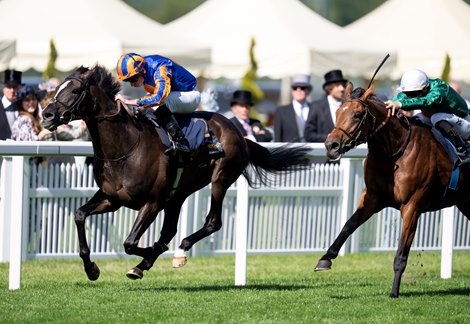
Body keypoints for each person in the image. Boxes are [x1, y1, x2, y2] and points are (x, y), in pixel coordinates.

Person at [114, 52, 200, 155]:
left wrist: (128, 101)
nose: (132, 84)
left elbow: (159, 98)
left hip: (190, 94)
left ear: (142, 70)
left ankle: (180, 142)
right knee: (141, 109)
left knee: (160, 103)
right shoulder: (143, 67)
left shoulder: (160, 68)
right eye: (128, 81)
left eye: (133, 79)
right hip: (174, 94)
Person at [385, 69, 470, 165]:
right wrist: (387, 105)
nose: (412, 97)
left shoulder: (438, 89)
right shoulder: (419, 88)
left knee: (436, 118)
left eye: (414, 94)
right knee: (416, 119)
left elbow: (426, 101)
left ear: (425, 88)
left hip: (463, 123)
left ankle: (463, 150)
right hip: (442, 119)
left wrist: (400, 104)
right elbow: (401, 97)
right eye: (410, 94)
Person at [304, 69, 347, 143]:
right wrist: (330, 136)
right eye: (337, 85)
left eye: (343, 85)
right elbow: (308, 135)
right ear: (329, 88)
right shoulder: (316, 106)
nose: (342, 88)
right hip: (322, 152)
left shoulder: (347, 105)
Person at [274, 74, 312, 142]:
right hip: (289, 151)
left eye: (302, 88)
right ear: (292, 91)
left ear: (308, 91)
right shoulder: (281, 111)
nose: (298, 90)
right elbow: (277, 138)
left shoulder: (315, 109)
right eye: (295, 88)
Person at [0, 69, 23, 140]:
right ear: (3, 88)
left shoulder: (23, 106)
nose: (12, 90)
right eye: (9, 87)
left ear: (20, 88)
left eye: (15, 87)